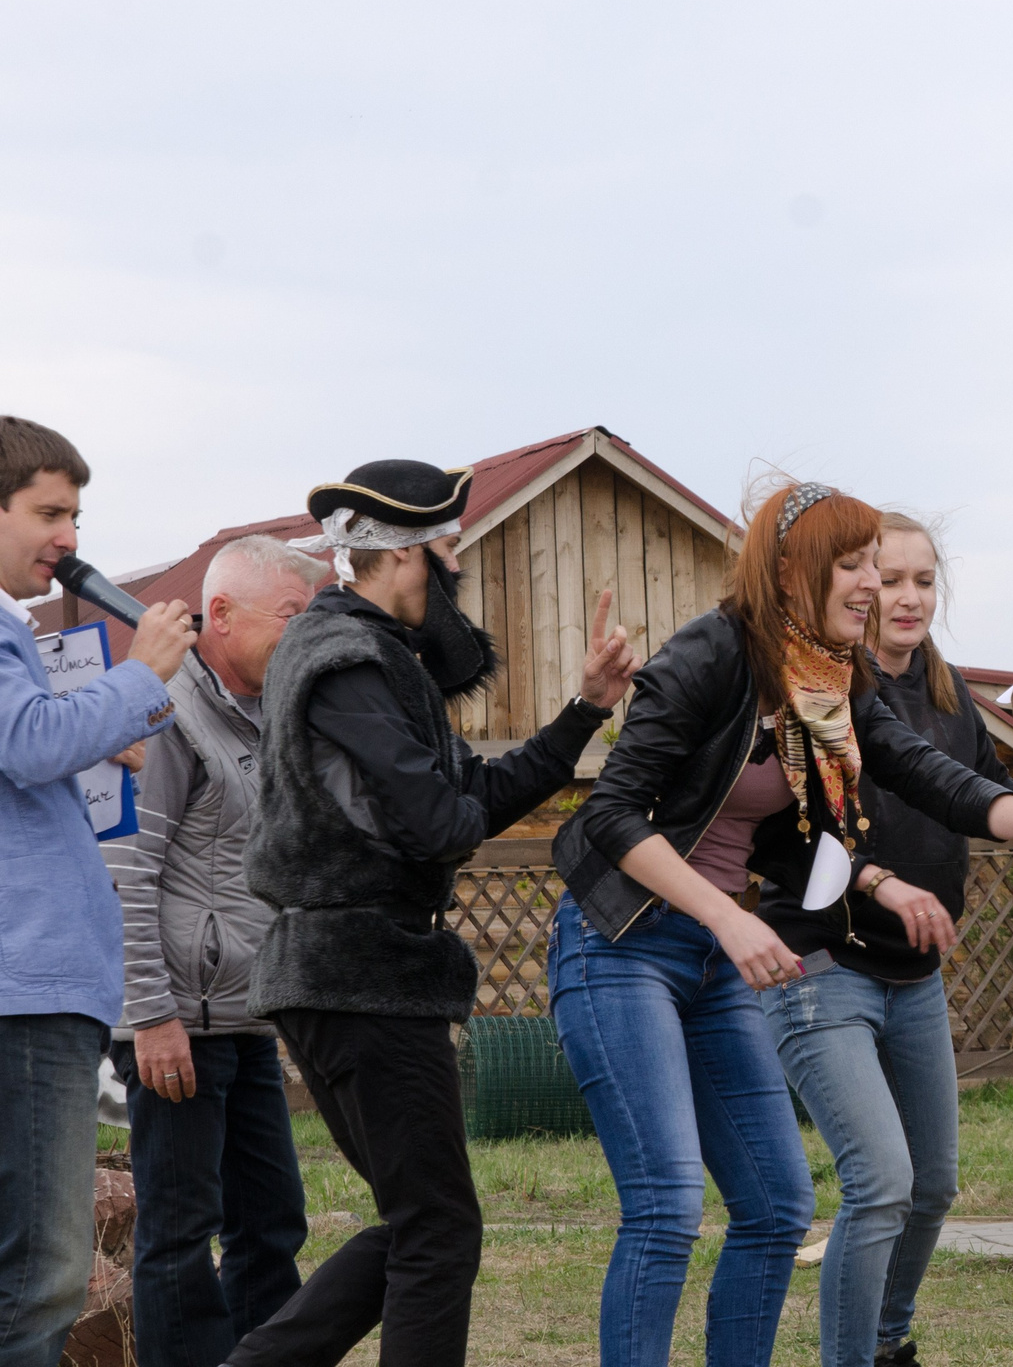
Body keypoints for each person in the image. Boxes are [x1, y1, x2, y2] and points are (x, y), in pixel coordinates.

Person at [545, 484, 1013, 1367]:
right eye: (856, 563)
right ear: (792, 572)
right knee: (670, 1205)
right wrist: (726, 918)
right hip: (622, 945)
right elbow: (610, 816)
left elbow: (932, 776)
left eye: (881, 564)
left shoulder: (829, 681)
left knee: (777, 1206)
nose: (873, 583)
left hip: (719, 957)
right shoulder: (710, 656)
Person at [229, 460, 638, 1367]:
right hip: (359, 970)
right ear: (404, 553)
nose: (454, 570)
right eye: (447, 548)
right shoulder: (345, 662)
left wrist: (585, 710)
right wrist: (452, 816)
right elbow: (442, 823)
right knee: (438, 1230)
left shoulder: (370, 658)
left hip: (350, 972)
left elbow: (471, 799)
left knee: (421, 1223)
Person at [747, 507, 1013, 1367]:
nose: (904, 597)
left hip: (914, 974)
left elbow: (979, 788)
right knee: (881, 1182)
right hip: (823, 963)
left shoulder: (945, 692)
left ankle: (887, 1340)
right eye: (887, 579)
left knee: (932, 1185)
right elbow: (784, 832)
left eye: (922, 581)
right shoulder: (821, 684)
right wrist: (878, 881)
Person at [103, 534, 330, 1367]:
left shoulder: (268, 718)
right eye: (292, 618)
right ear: (222, 615)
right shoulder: (168, 713)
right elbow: (126, 869)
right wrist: (150, 1015)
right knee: (179, 1232)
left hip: (243, 1015)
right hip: (174, 1028)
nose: (305, 639)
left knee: (272, 1221)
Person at [0, 418, 195, 1367]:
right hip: (23, 990)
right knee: (42, 1270)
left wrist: (100, 720)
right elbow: (29, 741)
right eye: (49, 513)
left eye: (76, 515)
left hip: (38, 986)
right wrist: (137, 676)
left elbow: (31, 749)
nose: (70, 538)